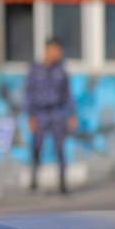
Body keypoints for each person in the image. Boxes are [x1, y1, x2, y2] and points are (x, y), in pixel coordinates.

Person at [23, 37, 77, 194]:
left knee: (59, 148)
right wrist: (30, 116)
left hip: (57, 112)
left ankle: (62, 182)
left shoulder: (61, 70)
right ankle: (34, 179)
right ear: (47, 50)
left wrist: (72, 113)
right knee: (36, 147)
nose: (58, 53)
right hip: (40, 113)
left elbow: (67, 94)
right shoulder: (35, 69)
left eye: (59, 51)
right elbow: (29, 93)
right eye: (55, 50)